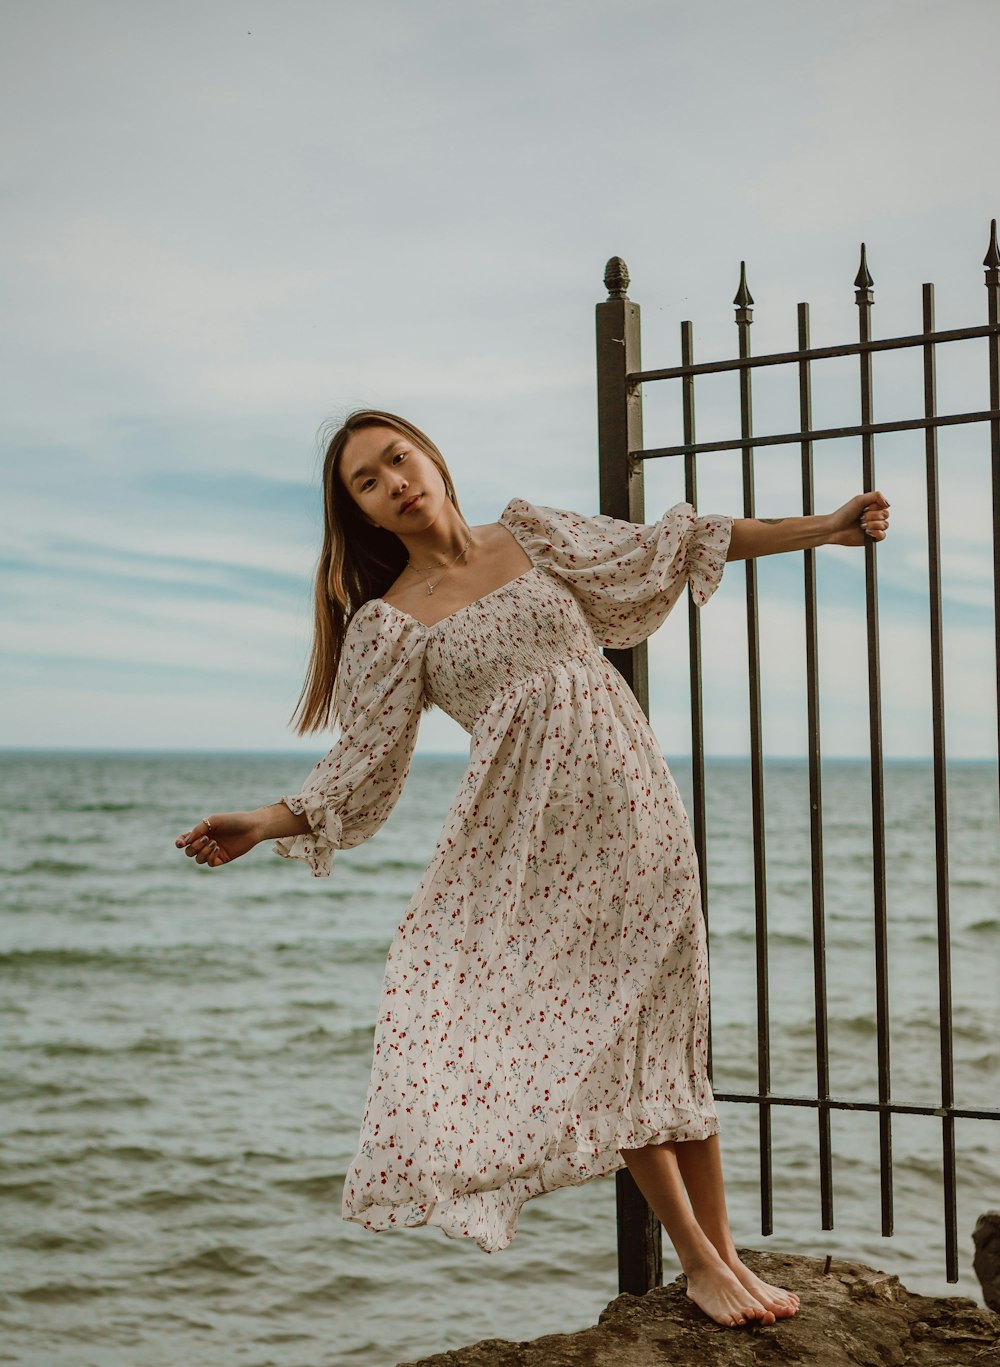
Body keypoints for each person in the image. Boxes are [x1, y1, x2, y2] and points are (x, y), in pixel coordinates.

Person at [176, 409, 890, 1328]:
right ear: (363, 514)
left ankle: (729, 1259)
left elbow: (673, 544)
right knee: (602, 1036)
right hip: (530, 841)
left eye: (399, 457)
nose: (394, 479)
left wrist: (826, 526)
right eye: (368, 480)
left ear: (430, 457)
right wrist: (267, 822)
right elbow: (362, 766)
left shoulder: (533, 533)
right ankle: (701, 1263)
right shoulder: (390, 626)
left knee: (671, 1027)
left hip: (635, 808)